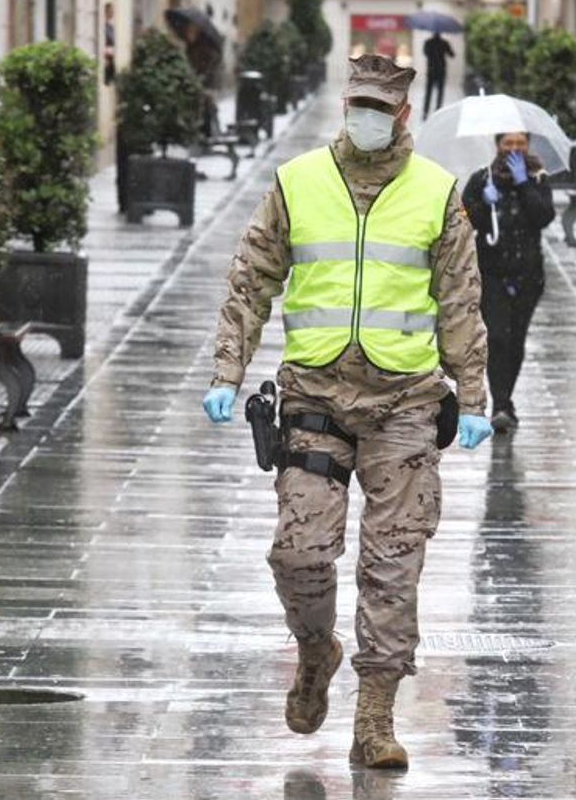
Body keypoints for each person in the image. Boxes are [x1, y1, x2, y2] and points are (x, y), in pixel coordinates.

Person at [202, 55, 491, 769]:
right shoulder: (298, 183)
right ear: (344, 106)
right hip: (315, 399)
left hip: (404, 405)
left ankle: (375, 718)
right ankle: (315, 649)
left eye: (378, 107)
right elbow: (252, 278)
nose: (364, 117)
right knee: (298, 554)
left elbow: (459, 299)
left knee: (393, 567)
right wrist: (226, 369)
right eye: (355, 103)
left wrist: (475, 394)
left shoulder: (436, 192)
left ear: (402, 116)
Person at [461, 133, 555, 433]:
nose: (514, 149)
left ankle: (507, 398)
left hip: (528, 275)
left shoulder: (537, 179)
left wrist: (523, 184)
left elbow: (543, 216)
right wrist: (483, 203)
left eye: (520, 144)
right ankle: (500, 404)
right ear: (498, 145)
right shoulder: (482, 179)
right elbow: (463, 219)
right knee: (497, 337)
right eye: (508, 144)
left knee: (516, 340)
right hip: (492, 274)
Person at [422, 31, 453, 118]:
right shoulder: (444, 43)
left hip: (431, 69)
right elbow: (451, 54)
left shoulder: (428, 42)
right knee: (440, 91)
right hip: (441, 70)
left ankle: (425, 111)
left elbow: (425, 53)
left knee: (428, 92)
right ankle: (438, 110)